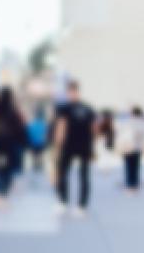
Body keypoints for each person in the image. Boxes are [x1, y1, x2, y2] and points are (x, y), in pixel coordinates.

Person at [53, 82, 97, 217]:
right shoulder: (66, 108)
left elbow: (93, 128)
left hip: (81, 146)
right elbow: (61, 127)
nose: (72, 94)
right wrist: (58, 145)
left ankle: (80, 205)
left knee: (83, 176)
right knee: (63, 174)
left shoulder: (86, 108)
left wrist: (92, 146)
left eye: (73, 92)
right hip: (70, 146)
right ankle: (64, 202)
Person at [119, 105, 144, 192]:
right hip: (137, 148)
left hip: (128, 148)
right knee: (136, 167)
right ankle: (135, 185)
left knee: (128, 167)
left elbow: (123, 136)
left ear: (132, 113)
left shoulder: (127, 123)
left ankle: (130, 185)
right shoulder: (143, 124)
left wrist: (121, 147)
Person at [26, 108, 49, 175]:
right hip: (41, 143)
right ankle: (40, 164)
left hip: (33, 143)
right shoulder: (44, 124)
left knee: (35, 155)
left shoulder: (32, 124)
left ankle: (35, 164)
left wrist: (28, 142)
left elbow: (29, 134)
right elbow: (46, 134)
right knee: (40, 154)